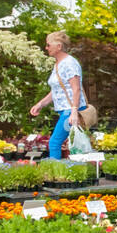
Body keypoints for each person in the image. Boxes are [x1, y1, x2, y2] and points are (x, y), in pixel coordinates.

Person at [30, 31, 90, 160]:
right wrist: (40, 104)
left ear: (59, 46)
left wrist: (74, 111)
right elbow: (57, 90)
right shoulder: (59, 64)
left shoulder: (69, 63)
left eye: (48, 45)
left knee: (54, 142)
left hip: (70, 111)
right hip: (66, 110)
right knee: (72, 145)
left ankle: (55, 173)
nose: (46, 48)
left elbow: (76, 89)